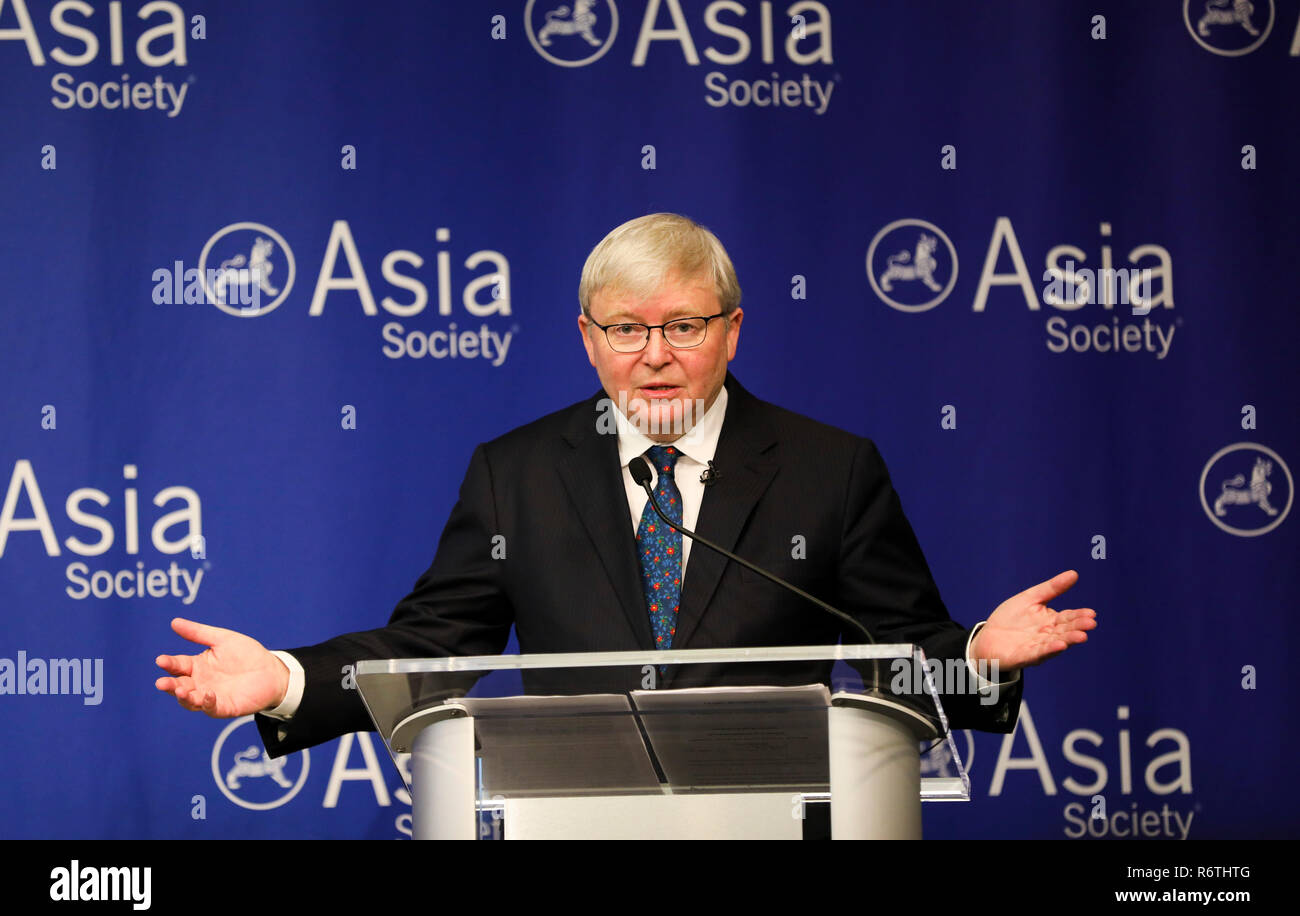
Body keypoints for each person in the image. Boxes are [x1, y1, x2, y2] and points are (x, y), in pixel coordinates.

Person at [156, 213, 1096, 759]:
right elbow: (434, 647)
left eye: (684, 327)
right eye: (625, 331)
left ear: (733, 331)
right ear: (587, 341)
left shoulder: (829, 469)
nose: (654, 358)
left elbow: (898, 655)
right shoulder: (516, 473)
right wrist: (284, 678)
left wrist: (976, 653)